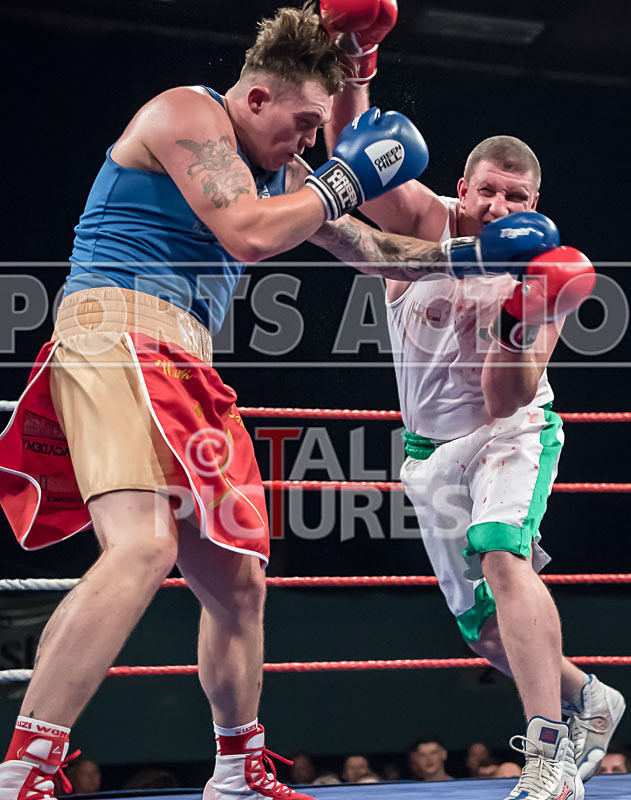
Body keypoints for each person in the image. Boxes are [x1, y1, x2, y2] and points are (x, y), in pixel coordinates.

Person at [0, 7, 431, 800]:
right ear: (257, 98)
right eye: (302, 122)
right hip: (115, 328)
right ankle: (26, 764)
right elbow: (246, 233)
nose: (307, 140)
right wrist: (344, 179)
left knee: (237, 582)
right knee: (141, 547)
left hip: (184, 362)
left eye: (317, 130)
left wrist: (484, 255)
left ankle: (237, 767)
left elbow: (377, 254)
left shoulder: (286, 179)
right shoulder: (185, 112)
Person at [308, 1, 626, 798]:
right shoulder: (423, 221)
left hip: (509, 430)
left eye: (518, 199)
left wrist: (522, 312)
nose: (501, 209)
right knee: (482, 632)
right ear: (463, 186)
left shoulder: (544, 270)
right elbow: (356, 155)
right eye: (489, 191)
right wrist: (356, 53)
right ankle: (589, 698)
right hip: (427, 452)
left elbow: (504, 395)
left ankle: (549, 752)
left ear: (535, 204)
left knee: (499, 547)